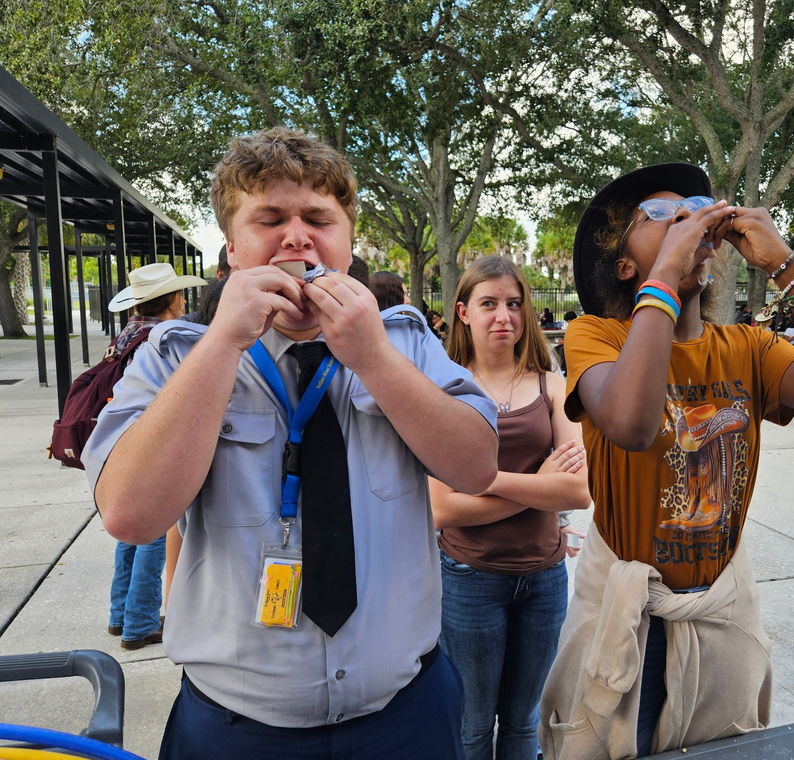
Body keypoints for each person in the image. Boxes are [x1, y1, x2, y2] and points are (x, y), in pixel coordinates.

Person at [84, 127, 499, 760]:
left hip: (405, 714)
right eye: (270, 218)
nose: (298, 236)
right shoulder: (174, 357)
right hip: (235, 727)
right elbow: (131, 514)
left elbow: (475, 466)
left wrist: (374, 358)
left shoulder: (407, 343)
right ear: (232, 251)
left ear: (348, 241)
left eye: (318, 218)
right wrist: (223, 342)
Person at [539, 163, 794, 759]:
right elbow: (630, 422)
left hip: (720, 610)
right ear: (626, 266)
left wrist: (788, 266)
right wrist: (668, 276)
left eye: (694, 204)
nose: (684, 215)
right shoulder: (594, 336)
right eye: (658, 213)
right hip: (628, 616)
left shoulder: (750, 348)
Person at [429, 256, 591, 760]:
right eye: (490, 304)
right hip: (469, 578)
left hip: (543, 579)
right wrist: (537, 482)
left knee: (524, 725)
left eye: (514, 304)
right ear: (463, 312)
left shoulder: (551, 384)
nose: (504, 316)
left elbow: (579, 492)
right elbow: (442, 510)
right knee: (473, 725)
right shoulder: (443, 389)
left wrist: (487, 482)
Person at [104, 262, 206, 650]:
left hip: (124, 444)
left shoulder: (128, 334)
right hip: (153, 445)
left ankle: (120, 615)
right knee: (155, 533)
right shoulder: (164, 339)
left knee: (127, 539)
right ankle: (141, 623)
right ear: (175, 298)